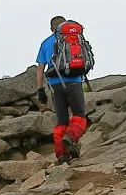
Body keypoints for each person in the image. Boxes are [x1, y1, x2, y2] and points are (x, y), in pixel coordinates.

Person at [35, 16, 88, 164]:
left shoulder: (45, 43)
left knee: (61, 120)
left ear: (52, 29)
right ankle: (71, 137)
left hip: (55, 86)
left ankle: (62, 156)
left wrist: (40, 90)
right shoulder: (75, 38)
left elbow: (40, 69)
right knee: (79, 115)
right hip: (74, 82)